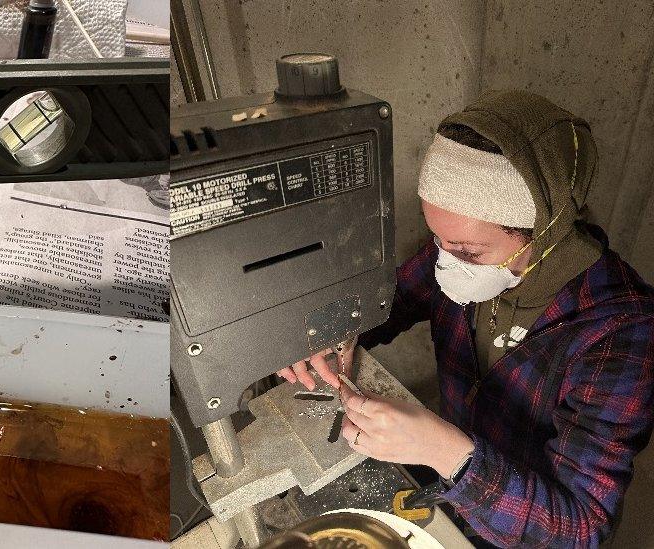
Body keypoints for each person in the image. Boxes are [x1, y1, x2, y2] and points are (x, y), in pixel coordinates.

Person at [277, 90, 654, 547]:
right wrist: (333, 332)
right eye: (437, 238)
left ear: (548, 231)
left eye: (468, 252)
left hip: (519, 522)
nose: (445, 262)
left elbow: (578, 529)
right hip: (454, 494)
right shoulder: (459, 256)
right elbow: (393, 301)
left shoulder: (621, 334)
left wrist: (443, 450)